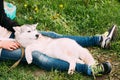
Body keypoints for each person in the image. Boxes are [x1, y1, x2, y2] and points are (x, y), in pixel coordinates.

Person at [0, 0, 116, 77]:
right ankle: (89, 69)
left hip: (10, 33)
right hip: (2, 45)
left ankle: (99, 40)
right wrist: (1, 43)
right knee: (37, 55)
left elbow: (3, 18)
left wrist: (21, 29)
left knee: (52, 35)